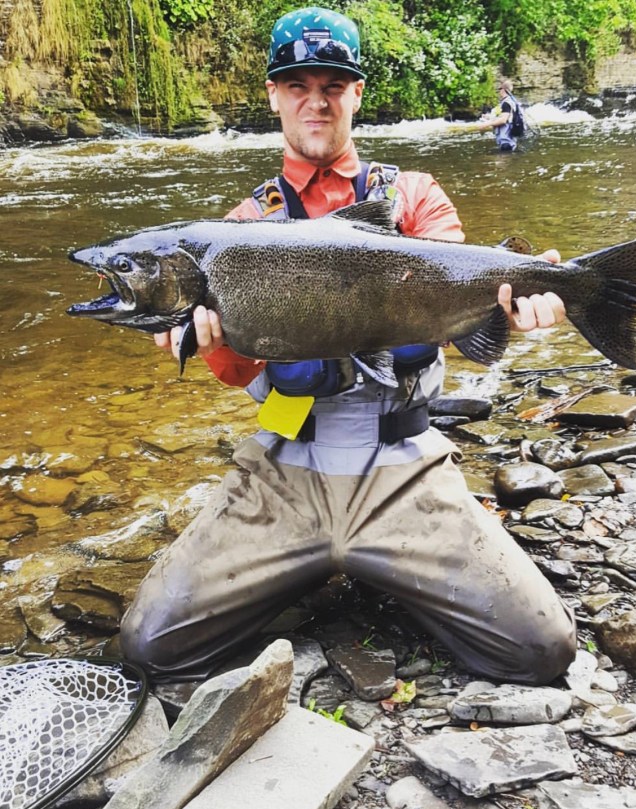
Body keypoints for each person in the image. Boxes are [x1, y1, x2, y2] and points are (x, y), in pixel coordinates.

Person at [120, 7, 576, 686]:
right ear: (274, 96)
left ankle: (369, 569)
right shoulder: (241, 228)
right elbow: (241, 374)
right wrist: (204, 339)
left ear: (356, 94)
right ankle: (318, 566)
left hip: (403, 467)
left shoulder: (414, 196)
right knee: (148, 646)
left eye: (332, 85)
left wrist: (525, 297)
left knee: (543, 646)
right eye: (298, 85)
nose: (316, 100)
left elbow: (460, 285)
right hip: (285, 470)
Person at [477, 78, 521, 152]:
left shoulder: (506, 103)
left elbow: (503, 120)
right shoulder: (508, 101)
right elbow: (503, 116)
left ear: (503, 90)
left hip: (506, 141)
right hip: (506, 140)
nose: (499, 91)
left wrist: (487, 124)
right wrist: (489, 117)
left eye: (499, 89)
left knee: (504, 158)